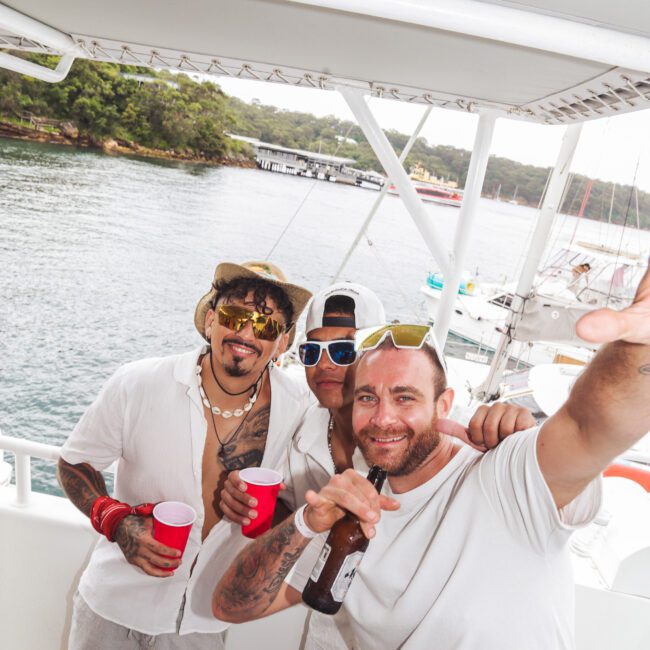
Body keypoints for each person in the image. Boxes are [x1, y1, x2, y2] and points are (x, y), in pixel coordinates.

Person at [212, 259, 650, 649]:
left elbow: (592, 423)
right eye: (367, 398)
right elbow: (230, 606)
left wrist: (636, 348)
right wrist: (305, 521)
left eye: (404, 398)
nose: (383, 418)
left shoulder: (502, 472)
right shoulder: (349, 504)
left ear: (444, 405)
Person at [218, 285, 536, 649]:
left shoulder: (436, 443)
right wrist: (246, 501)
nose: (325, 364)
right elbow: (287, 517)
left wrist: (515, 432)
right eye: (312, 350)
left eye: (343, 350)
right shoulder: (297, 430)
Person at [57, 260, 312, 649]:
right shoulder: (139, 383)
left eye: (265, 325)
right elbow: (74, 462)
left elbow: (299, 497)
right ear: (210, 319)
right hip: (113, 606)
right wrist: (117, 522)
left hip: (204, 620)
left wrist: (269, 511)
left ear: (281, 341)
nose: (245, 332)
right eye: (233, 315)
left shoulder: (299, 407)